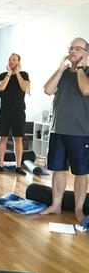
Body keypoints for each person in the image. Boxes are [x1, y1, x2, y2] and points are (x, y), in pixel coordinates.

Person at [40, 37, 89, 222]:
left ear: (86, 53)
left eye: (77, 48)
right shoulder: (63, 73)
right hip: (58, 130)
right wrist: (61, 69)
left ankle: (78, 209)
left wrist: (81, 68)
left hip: (81, 132)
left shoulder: (87, 73)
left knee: (81, 172)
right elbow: (48, 89)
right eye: (71, 48)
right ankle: (56, 205)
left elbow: (85, 90)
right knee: (58, 169)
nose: (72, 51)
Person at [0, 53, 30, 175]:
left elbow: (24, 88)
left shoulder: (24, 75)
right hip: (5, 111)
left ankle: (18, 166)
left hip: (18, 111)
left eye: (14, 59)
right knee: (2, 137)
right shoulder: (2, 75)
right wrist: (9, 73)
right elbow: (2, 87)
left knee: (18, 138)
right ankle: (0, 165)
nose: (11, 61)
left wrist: (17, 73)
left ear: (18, 62)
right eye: (9, 59)